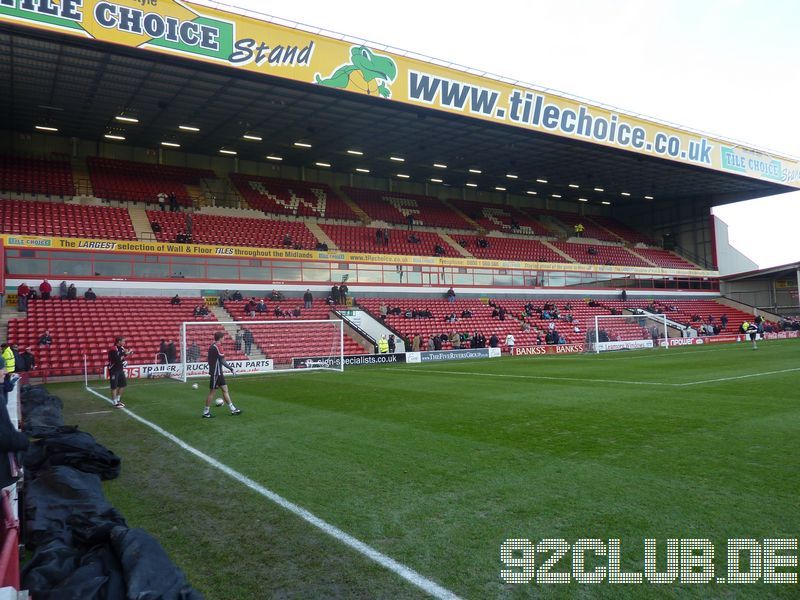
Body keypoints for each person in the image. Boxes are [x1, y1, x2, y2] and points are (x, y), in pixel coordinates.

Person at [203, 331, 241, 418]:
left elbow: (210, 359)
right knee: (212, 392)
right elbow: (222, 360)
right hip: (216, 373)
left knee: (225, 390)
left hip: (217, 372)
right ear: (220, 338)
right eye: (223, 337)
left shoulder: (212, 346)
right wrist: (231, 369)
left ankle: (233, 409)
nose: (224, 339)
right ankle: (205, 412)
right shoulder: (218, 346)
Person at [107, 336, 133, 408]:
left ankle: (118, 400)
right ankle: (114, 402)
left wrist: (128, 353)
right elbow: (116, 359)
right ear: (119, 341)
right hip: (114, 370)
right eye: (123, 341)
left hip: (120, 369)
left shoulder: (122, 348)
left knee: (123, 385)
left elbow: (122, 356)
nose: (124, 343)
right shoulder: (113, 349)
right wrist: (125, 355)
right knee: (114, 386)